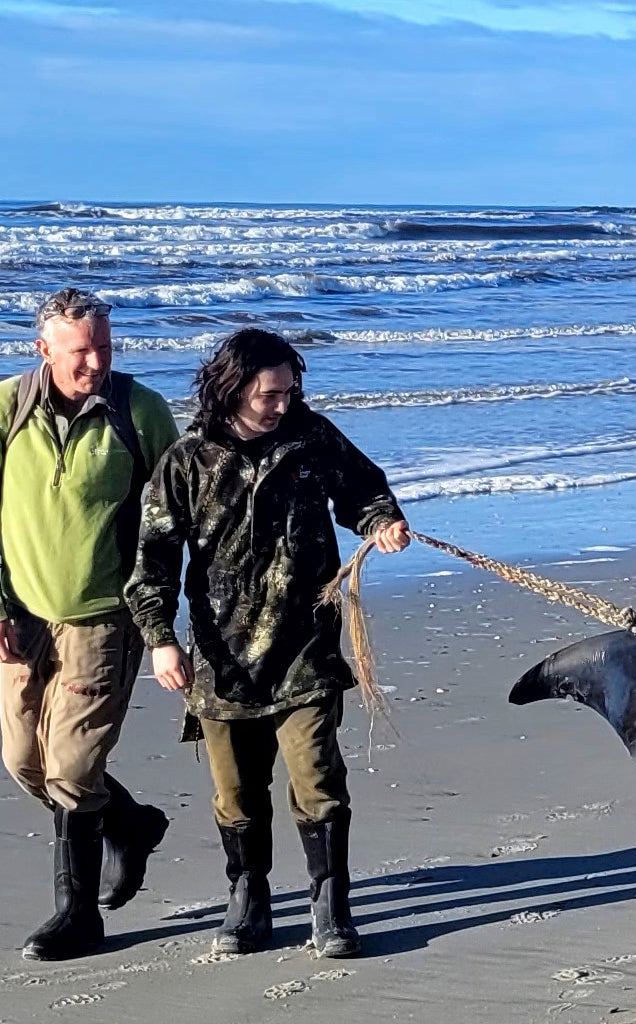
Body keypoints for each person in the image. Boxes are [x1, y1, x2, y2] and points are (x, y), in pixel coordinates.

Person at [127, 327, 409, 959]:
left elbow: (363, 490)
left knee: (317, 778)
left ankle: (330, 907)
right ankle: (248, 898)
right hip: (220, 658)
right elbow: (152, 563)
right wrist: (159, 640)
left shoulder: (312, 439)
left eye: (291, 389)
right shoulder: (186, 461)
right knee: (236, 793)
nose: (284, 403)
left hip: (306, 645)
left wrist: (382, 521)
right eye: (270, 394)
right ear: (232, 389)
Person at [0, 287, 181, 961]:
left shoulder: (140, 412)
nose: (95, 362)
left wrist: (164, 621)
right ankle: (132, 824)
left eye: (104, 347)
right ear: (43, 348)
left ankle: (77, 916)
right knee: (24, 762)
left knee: (74, 770)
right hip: (22, 619)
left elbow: (176, 518)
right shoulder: (3, 407)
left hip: (106, 619)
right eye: (80, 350)